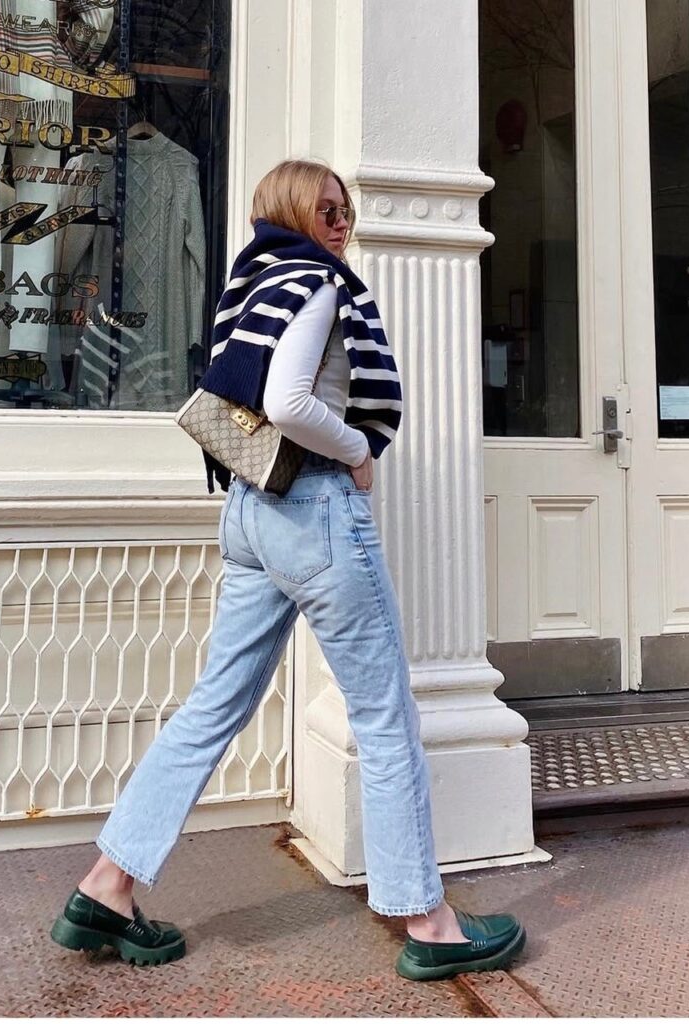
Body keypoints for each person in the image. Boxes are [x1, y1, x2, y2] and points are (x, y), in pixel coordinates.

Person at [50, 159, 526, 981]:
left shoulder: (253, 283)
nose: (341, 221)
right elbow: (287, 403)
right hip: (315, 515)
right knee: (384, 718)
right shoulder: (311, 281)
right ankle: (430, 920)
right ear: (289, 210)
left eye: (346, 209)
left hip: (252, 512)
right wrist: (359, 454)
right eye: (326, 207)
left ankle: (109, 884)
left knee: (212, 707)